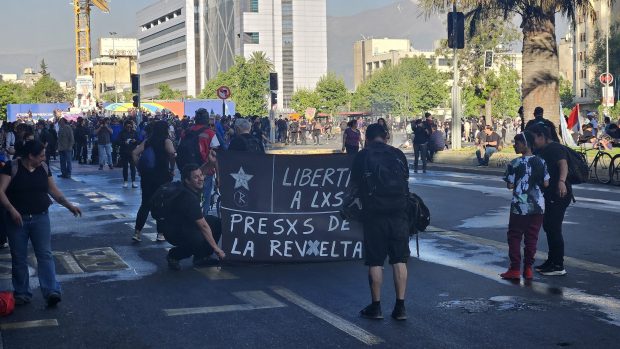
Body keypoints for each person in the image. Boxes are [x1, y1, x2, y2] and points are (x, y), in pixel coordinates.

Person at [0, 140, 82, 307]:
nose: (44, 159)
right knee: (19, 257)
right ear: (31, 156)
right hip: (17, 220)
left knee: (45, 255)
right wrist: (11, 209)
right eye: (42, 155)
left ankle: (51, 290)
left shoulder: (43, 168)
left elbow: (54, 191)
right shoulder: (11, 167)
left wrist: (69, 206)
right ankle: (22, 293)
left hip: (40, 218)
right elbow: (0, 191)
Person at [350, 124, 410, 321]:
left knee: (375, 261)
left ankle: (376, 307)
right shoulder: (398, 154)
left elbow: (355, 184)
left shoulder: (362, 156)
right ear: (386, 137)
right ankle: (400, 307)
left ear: (366, 138)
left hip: (374, 214)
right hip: (399, 212)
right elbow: (406, 179)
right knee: (399, 259)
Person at [500, 132, 549, 280]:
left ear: (525, 144)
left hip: (520, 206)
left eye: (517, 143)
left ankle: (514, 268)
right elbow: (546, 183)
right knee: (531, 237)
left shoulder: (514, 163)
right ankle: (528, 268)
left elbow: (510, 185)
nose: (515, 145)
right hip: (538, 206)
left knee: (514, 236)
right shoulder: (541, 161)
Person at [164, 164, 226, 270]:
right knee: (197, 240)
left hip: (185, 225)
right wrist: (217, 249)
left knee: (215, 222)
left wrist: (209, 162)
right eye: (196, 177)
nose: (201, 179)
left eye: (201, 175)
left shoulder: (189, 184)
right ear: (188, 180)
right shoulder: (188, 198)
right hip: (173, 231)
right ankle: (173, 256)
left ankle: (202, 257)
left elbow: (200, 172)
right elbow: (203, 226)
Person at [529, 123, 571, 276]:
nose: (532, 142)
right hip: (549, 194)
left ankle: (558, 265)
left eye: (534, 138)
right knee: (548, 226)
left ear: (541, 136)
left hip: (558, 193)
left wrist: (561, 182)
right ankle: (551, 261)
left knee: (554, 228)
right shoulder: (543, 149)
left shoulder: (555, 148)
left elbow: (563, 164)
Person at [132, 121, 176, 243]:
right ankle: (160, 233)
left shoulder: (148, 141)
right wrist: (172, 168)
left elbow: (135, 153)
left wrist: (140, 169)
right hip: (162, 177)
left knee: (145, 204)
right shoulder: (166, 141)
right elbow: (172, 154)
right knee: (160, 204)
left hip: (147, 178)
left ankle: (137, 232)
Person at [118, 120, 139, 188]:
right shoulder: (122, 133)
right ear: (125, 126)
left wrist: (135, 141)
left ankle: (133, 182)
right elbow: (118, 141)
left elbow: (138, 141)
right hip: (124, 152)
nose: (129, 127)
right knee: (125, 167)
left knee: (133, 167)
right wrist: (124, 142)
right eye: (127, 126)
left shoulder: (135, 132)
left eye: (130, 125)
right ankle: (125, 181)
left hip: (132, 152)